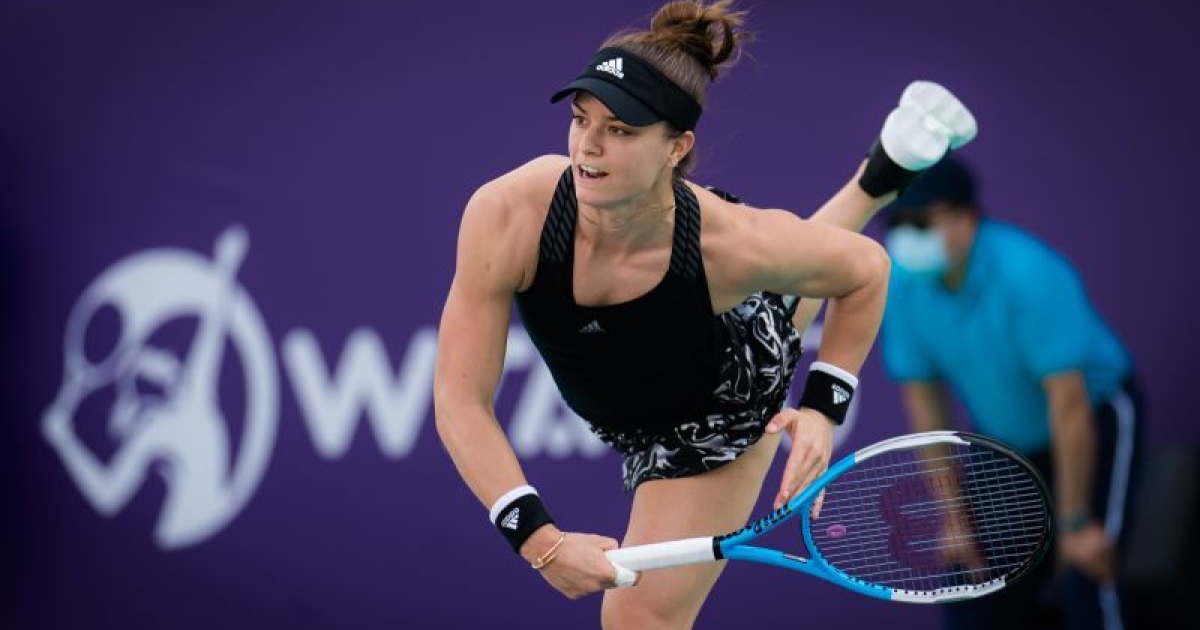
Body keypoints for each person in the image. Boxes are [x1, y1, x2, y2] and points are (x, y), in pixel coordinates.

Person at [433, 2, 975, 627]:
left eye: (621, 130)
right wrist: (538, 538)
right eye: (581, 119)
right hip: (669, 352)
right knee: (781, 296)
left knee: (636, 620)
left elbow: (868, 271)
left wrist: (823, 411)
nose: (589, 145)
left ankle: (880, 177)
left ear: (677, 147)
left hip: (717, 400)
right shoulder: (508, 215)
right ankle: (884, 172)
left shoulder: (729, 244)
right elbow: (460, 398)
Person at [879, 156, 1144, 630]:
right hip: (1007, 441)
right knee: (972, 581)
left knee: (1084, 572)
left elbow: (1068, 404)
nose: (906, 237)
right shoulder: (900, 283)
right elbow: (926, 404)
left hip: (1094, 418)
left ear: (965, 219)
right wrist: (953, 517)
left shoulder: (1028, 273)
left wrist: (1073, 522)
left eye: (921, 223)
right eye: (897, 224)